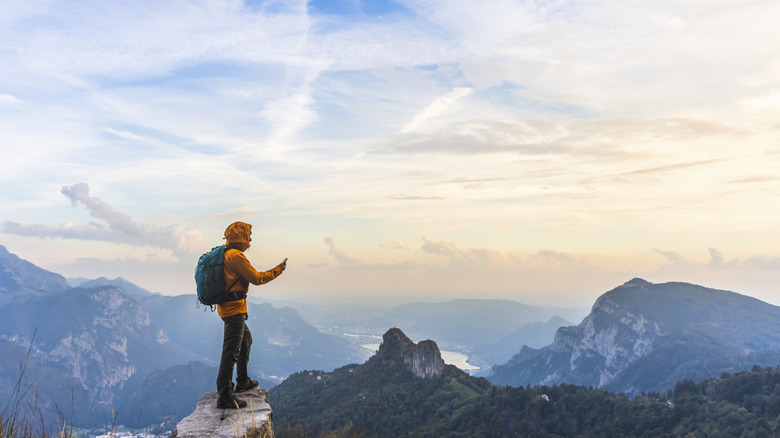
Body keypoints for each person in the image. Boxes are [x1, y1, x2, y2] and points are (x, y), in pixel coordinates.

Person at [215, 221, 287, 409]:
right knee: (231, 351)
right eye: (248, 236)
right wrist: (279, 269)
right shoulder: (236, 256)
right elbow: (257, 278)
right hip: (233, 311)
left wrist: (243, 310)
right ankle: (224, 395)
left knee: (245, 340)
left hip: (231, 308)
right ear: (241, 238)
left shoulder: (225, 254)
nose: (250, 240)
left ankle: (242, 381)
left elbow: (233, 284)